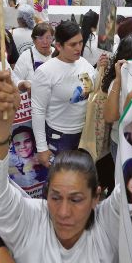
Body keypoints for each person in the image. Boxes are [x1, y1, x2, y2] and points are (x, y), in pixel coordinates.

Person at [0, 70, 132, 263]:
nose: (64, 212)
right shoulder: (29, 223)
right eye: (55, 197)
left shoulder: (107, 226)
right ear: (45, 195)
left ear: (96, 197)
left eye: (76, 200)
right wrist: (2, 126)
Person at [31, 21, 102, 168]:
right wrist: (42, 148)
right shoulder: (46, 72)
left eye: (81, 43)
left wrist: (99, 69)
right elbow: (38, 111)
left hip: (84, 133)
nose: (78, 48)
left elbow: (91, 86)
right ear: (58, 46)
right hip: (59, 137)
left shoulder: (83, 62)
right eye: (72, 44)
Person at [8, 126, 48, 191]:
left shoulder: (45, 158)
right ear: (13, 146)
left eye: (27, 141)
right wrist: (25, 168)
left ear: (34, 142)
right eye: (17, 144)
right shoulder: (9, 161)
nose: (23, 146)